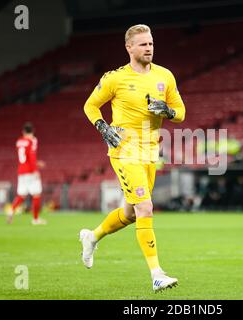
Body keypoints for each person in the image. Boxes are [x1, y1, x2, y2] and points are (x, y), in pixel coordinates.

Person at [80, 24, 185, 292]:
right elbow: (90, 105)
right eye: (143, 44)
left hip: (151, 151)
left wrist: (168, 111)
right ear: (129, 48)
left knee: (130, 213)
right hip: (125, 151)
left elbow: (181, 112)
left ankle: (92, 237)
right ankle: (157, 274)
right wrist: (103, 128)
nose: (149, 48)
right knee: (146, 208)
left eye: (150, 43)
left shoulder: (165, 76)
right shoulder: (115, 79)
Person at [7, 122, 46, 225]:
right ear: (33, 131)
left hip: (21, 171)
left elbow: (25, 157)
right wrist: (36, 170)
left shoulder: (19, 141)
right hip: (30, 171)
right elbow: (32, 156)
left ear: (23, 132)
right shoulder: (32, 140)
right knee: (36, 194)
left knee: (22, 195)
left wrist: (37, 163)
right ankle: (35, 219)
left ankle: (11, 210)